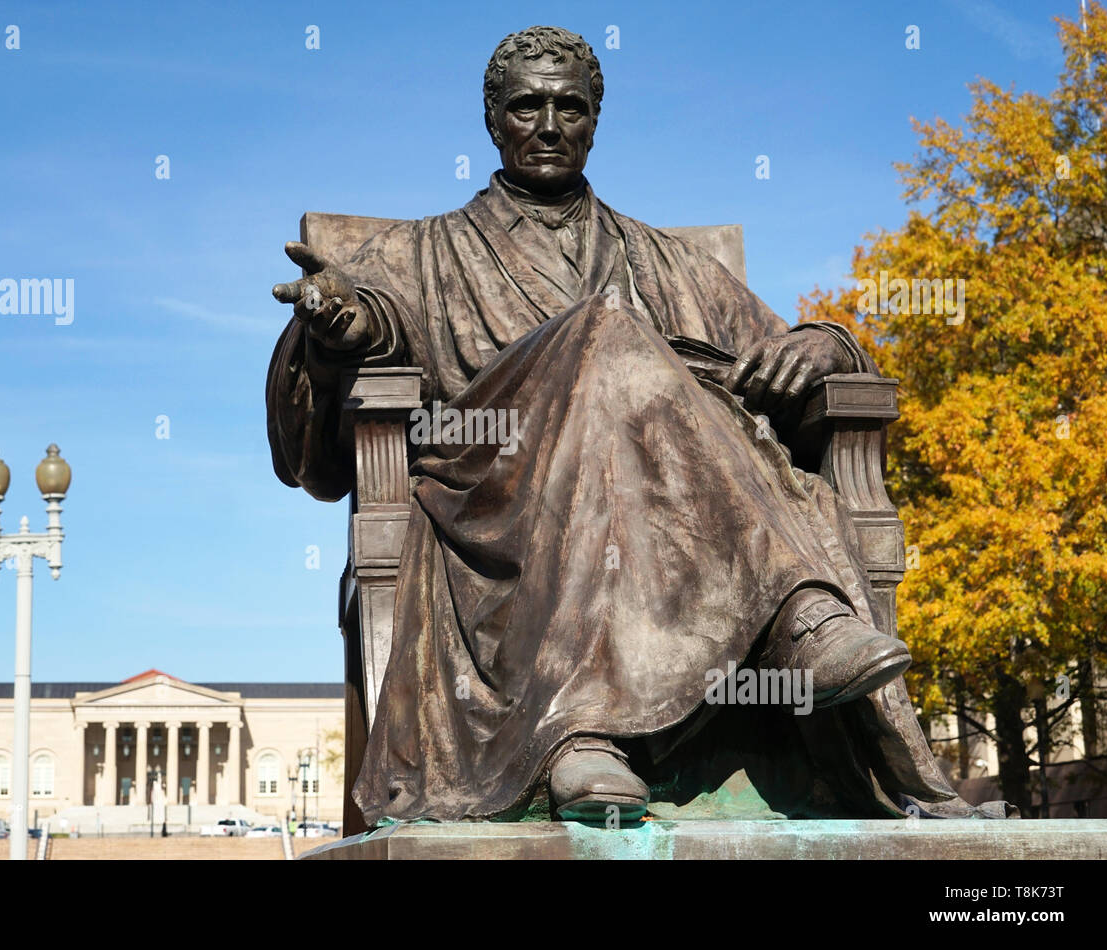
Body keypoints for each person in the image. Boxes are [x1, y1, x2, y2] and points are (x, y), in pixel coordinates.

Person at [266, 26, 1007, 824]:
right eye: (526, 107)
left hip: (672, 511)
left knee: (627, 345)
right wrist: (337, 328)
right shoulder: (422, 251)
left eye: (570, 108)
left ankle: (641, 709)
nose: (549, 125)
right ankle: (769, 634)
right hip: (499, 492)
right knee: (605, 332)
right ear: (492, 118)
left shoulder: (665, 261)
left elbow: (774, 339)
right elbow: (359, 342)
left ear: (595, 120)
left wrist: (825, 343)